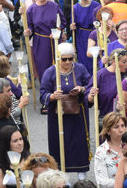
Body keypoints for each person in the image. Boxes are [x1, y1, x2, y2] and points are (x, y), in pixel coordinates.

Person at [39, 42, 92, 175]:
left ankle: (82, 173)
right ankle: (61, 174)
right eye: (64, 59)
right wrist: (52, 96)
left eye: (70, 58)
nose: (68, 62)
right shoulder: (50, 72)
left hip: (78, 115)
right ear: (58, 58)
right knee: (59, 143)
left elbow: (90, 84)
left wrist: (82, 88)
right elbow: (42, 94)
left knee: (79, 143)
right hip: (58, 116)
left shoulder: (80, 69)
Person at [25, 0, 66, 82]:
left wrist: (58, 31)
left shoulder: (54, 6)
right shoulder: (31, 9)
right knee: (42, 67)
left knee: (58, 66)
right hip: (40, 42)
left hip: (55, 40)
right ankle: (45, 92)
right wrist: (28, 32)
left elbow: (63, 22)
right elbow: (30, 27)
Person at [70, 0, 101, 74]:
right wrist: (72, 26)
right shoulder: (75, 8)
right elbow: (73, 24)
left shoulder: (96, 5)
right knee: (83, 57)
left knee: (95, 56)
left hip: (94, 33)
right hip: (81, 36)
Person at [93, 112, 127, 188]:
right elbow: (102, 180)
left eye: (123, 125)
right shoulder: (101, 151)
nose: (121, 130)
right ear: (108, 131)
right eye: (116, 127)